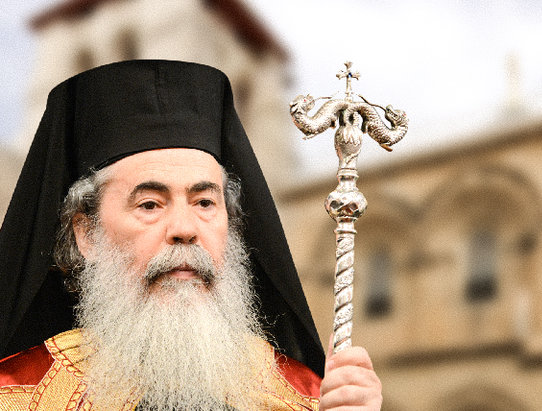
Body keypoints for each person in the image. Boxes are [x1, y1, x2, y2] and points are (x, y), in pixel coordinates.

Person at [0, 60, 382, 410]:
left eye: (204, 203)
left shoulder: (306, 398)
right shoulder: (17, 395)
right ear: (87, 234)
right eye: (150, 204)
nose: (185, 230)